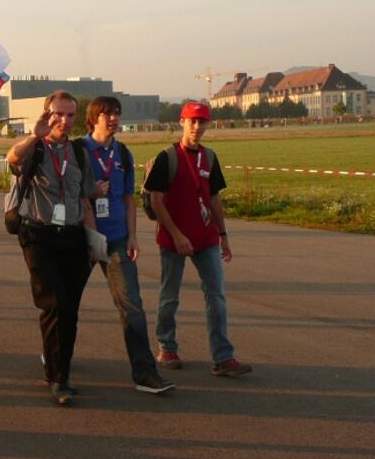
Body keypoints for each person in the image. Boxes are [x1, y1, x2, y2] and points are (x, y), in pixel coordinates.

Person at [143, 102, 252, 377]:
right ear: (181, 121)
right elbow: (156, 200)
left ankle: (223, 357)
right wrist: (177, 235)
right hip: (173, 239)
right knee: (169, 296)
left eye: (202, 121)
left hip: (205, 238)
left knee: (216, 297)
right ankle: (167, 347)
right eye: (192, 121)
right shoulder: (167, 157)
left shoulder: (210, 158)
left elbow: (214, 198)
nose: (197, 126)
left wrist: (223, 235)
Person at [5, 91, 98, 406]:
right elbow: (12, 159)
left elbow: (84, 199)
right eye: (58, 114)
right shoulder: (35, 148)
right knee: (54, 303)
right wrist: (34, 136)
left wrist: (93, 240)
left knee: (68, 309)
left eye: (71, 115)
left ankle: (57, 364)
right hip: (38, 235)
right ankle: (60, 378)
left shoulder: (80, 153)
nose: (64, 121)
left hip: (71, 237)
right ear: (47, 114)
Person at [81, 97, 174, 395]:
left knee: (131, 305)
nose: (113, 119)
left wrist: (133, 235)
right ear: (93, 118)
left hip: (118, 238)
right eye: (107, 114)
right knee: (65, 303)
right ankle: (56, 359)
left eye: (117, 114)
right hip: (82, 237)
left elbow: (128, 199)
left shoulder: (122, 152)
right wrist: (92, 193)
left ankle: (145, 373)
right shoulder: (78, 150)